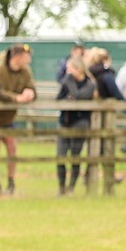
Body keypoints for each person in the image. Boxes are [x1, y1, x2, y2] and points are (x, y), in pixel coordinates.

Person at [0, 44, 35, 195]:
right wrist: (16, 98)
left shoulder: (25, 72)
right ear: (17, 57)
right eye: (27, 56)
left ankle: (11, 182)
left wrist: (29, 92)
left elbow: (32, 86)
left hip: (8, 119)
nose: (29, 59)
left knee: (12, 149)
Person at [55, 56, 96, 195]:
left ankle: (71, 187)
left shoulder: (90, 84)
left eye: (70, 68)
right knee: (60, 155)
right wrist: (69, 97)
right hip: (64, 122)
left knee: (75, 156)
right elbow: (59, 99)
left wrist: (73, 96)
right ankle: (61, 188)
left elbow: (78, 95)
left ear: (78, 69)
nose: (67, 71)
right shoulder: (67, 80)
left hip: (80, 122)